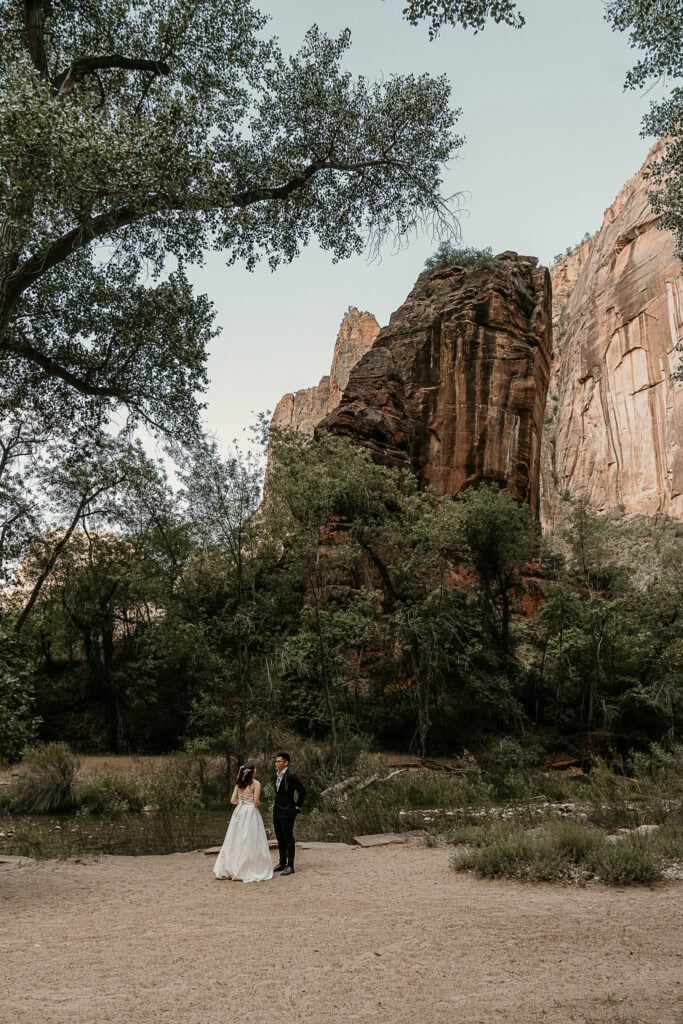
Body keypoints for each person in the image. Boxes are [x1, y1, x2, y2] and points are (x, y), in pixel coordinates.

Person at [213, 761, 273, 882]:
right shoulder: (256, 784)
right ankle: (248, 867)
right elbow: (256, 802)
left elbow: (232, 800)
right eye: (255, 770)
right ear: (252, 772)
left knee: (235, 838)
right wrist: (255, 803)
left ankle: (231, 867)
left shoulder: (239, 784)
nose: (255, 771)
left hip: (239, 812)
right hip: (250, 812)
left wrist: (241, 803)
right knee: (250, 838)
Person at [273, 751, 306, 876]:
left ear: (286, 763)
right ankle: (282, 863)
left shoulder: (291, 776)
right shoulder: (276, 776)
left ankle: (290, 866)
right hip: (277, 810)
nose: (276, 763)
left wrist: (297, 806)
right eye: (276, 761)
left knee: (288, 837)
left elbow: (302, 791)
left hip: (288, 810)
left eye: (279, 761)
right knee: (279, 837)